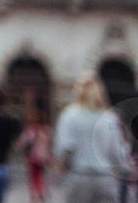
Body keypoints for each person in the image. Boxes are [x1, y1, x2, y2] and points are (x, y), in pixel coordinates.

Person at [54, 72, 134, 203]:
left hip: (79, 176)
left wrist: (62, 166)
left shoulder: (70, 115)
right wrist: (122, 169)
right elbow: (117, 151)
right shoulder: (109, 117)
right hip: (105, 178)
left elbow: (66, 148)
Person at [18, 107, 54, 203]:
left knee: (33, 176)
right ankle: (41, 190)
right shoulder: (47, 130)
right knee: (41, 175)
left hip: (33, 157)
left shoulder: (31, 130)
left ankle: (34, 195)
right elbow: (51, 144)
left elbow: (22, 142)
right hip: (44, 157)